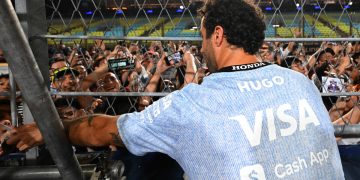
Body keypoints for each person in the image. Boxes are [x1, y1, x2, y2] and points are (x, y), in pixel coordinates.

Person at [0, 0, 344, 179]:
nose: (201, 42)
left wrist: (47, 129)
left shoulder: (195, 103)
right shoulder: (300, 84)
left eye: (202, 33)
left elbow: (100, 130)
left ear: (218, 35)